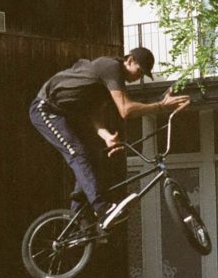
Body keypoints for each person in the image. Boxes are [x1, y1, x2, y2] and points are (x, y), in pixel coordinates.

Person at [29, 47, 190, 231]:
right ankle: (102, 209)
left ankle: (77, 220)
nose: (138, 78)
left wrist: (105, 136)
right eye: (139, 71)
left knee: (93, 157)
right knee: (78, 155)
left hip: (66, 116)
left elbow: (93, 114)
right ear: (129, 60)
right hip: (45, 110)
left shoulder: (106, 85)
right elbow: (126, 110)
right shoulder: (111, 67)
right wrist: (161, 106)